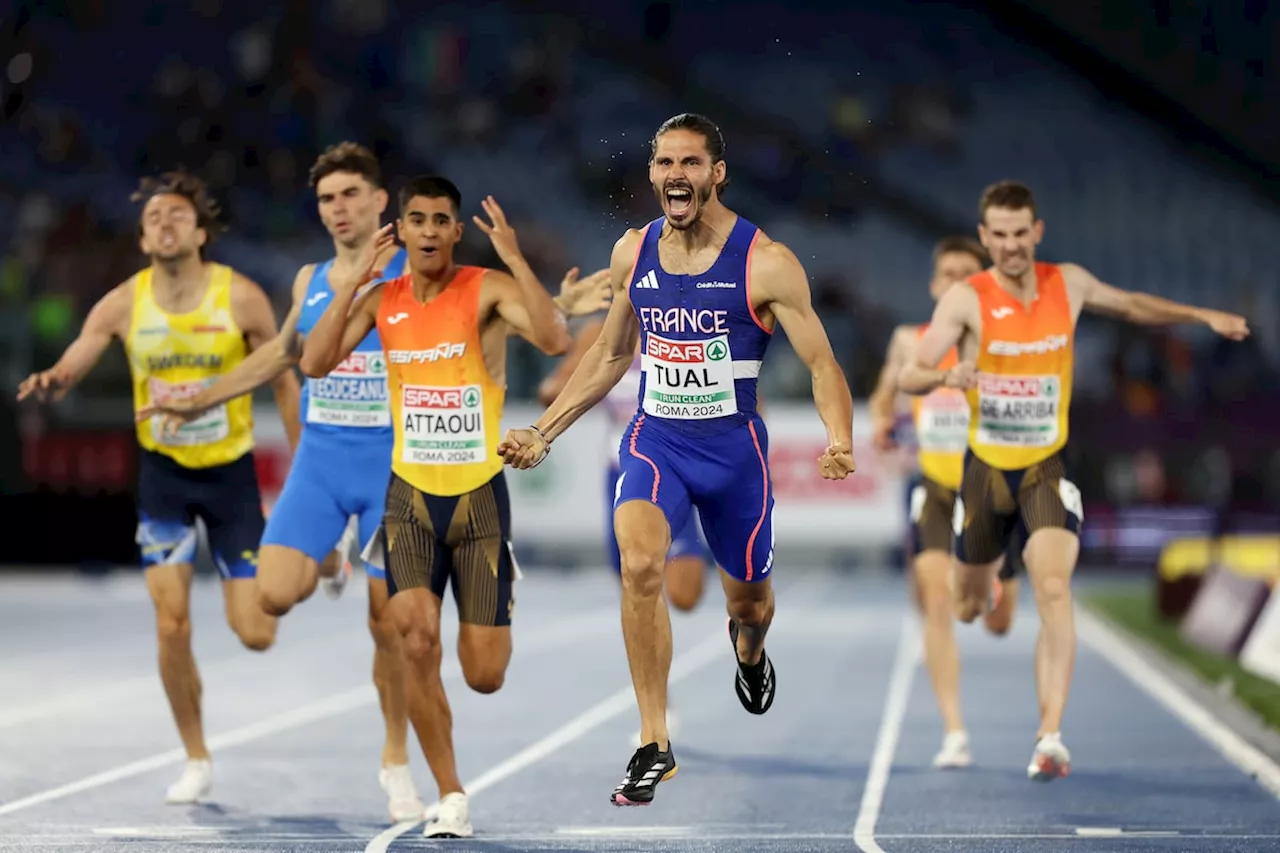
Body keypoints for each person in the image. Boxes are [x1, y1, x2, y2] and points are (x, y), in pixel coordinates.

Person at [137, 145, 606, 823]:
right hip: (353, 471)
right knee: (299, 604)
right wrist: (201, 397)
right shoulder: (325, 280)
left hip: (419, 472)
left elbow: (495, 313)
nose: (340, 208)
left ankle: (395, 759)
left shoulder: (426, 270)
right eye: (328, 199)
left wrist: (551, 293)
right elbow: (293, 355)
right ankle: (334, 563)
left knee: (439, 650)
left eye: (353, 195)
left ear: (385, 204)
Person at [498, 113, 857, 806]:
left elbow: (822, 363)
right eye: (664, 163)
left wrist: (838, 435)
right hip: (656, 442)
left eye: (690, 163)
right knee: (639, 565)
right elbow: (609, 354)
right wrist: (545, 430)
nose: (675, 176)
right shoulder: (633, 252)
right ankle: (653, 740)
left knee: (750, 603)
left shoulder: (767, 262)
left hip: (734, 456)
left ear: (717, 173)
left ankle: (747, 649)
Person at [899, 180, 1250, 782]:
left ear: (1037, 233)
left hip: (1045, 467)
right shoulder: (966, 298)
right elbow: (910, 372)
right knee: (965, 606)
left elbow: (1135, 305)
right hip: (983, 475)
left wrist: (1200, 316)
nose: (1011, 246)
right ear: (986, 238)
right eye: (999, 236)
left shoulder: (1071, 284)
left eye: (1020, 234)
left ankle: (1050, 735)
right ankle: (994, 577)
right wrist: (945, 377)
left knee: (1055, 588)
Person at [298, 175, 572, 838]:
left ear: (455, 230)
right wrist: (353, 283)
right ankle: (450, 792)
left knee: (483, 674)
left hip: (478, 502)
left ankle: (497, 605)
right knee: (415, 640)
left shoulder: (485, 288)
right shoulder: (380, 298)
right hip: (409, 499)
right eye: (415, 219)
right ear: (404, 229)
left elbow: (555, 336)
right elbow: (312, 359)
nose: (425, 230)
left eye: (439, 220)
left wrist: (512, 256)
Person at [16, 170, 298, 804]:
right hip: (164, 480)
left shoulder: (242, 296)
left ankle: (293, 567)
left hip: (230, 479)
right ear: (144, 241)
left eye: (177, 215)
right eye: (153, 219)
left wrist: (302, 451)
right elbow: (79, 353)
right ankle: (195, 755)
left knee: (255, 633)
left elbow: (281, 368)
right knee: (171, 625)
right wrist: (55, 379)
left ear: (200, 232)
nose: (165, 223)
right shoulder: (122, 304)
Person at [868, 235, 1021, 770]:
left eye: (967, 273)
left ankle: (996, 576)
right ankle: (954, 731)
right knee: (935, 605)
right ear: (935, 285)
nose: (957, 281)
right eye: (948, 273)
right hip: (934, 486)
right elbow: (886, 391)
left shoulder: (1003, 340)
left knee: (995, 623)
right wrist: (883, 418)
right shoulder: (911, 340)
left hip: (997, 487)